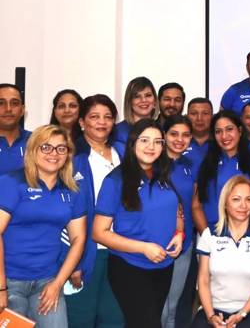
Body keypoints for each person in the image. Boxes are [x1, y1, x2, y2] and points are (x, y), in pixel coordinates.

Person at [92, 119, 184, 328]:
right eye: (144, 140)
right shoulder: (115, 180)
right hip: (129, 267)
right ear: (133, 143)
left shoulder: (164, 175)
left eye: (157, 141)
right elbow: (99, 232)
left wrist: (180, 234)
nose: (151, 147)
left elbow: (178, 211)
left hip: (163, 266)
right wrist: (143, 248)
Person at [0, 125, 87, 326]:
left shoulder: (72, 191)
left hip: (47, 281)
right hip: (10, 282)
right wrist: (1, 288)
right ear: (33, 150)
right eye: (46, 147)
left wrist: (57, 284)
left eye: (61, 148)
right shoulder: (11, 182)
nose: (53, 154)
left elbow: (78, 239)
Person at [65, 94, 125, 328]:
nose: (102, 122)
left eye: (108, 117)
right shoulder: (72, 158)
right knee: (82, 319)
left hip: (121, 251)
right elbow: (66, 213)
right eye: (94, 117)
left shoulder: (124, 152)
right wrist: (74, 262)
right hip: (88, 252)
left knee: (115, 319)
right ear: (81, 122)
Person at [192, 175, 250, 328]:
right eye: (236, 199)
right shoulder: (210, 234)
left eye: (249, 199)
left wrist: (241, 314)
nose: (243, 206)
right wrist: (211, 315)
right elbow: (203, 280)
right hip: (214, 307)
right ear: (225, 203)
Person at [193, 111, 250, 233]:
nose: (224, 136)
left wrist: (242, 234)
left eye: (229, 129)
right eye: (218, 131)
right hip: (211, 235)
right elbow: (196, 206)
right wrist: (208, 238)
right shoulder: (206, 163)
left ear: (239, 130)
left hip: (247, 235)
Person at [161, 115, 196, 328]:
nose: (179, 140)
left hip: (184, 243)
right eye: (174, 134)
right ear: (164, 136)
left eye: (185, 135)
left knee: (173, 305)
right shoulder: (152, 164)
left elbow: (194, 202)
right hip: (155, 242)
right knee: (157, 304)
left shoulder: (190, 166)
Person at [115, 76, 159, 146]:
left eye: (148, 95)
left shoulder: (161, 129)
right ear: (129, 102)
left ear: (155, 101)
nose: (144, 100)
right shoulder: (118, 132)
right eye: (137, 96)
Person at [0, 83, 30, 175]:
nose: (8, 109)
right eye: (1, 103)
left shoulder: (37, 141)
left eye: (15, 103)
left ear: (22, 110)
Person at [185, 97, 213, 174]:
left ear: (212, 116)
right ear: (187, 116)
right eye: (194, 113)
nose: (199, 118)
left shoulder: (221, 142)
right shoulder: (179, 142)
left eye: (205, 113)